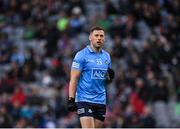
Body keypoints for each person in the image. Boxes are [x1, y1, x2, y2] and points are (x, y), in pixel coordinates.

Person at [68, 26, 114, 128]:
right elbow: (74, 78)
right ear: (90, 37)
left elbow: (105, 80)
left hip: (100, 100)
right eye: (96, 35)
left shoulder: (107, 56)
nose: (99, 38)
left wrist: (110, 78)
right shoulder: (81, 55)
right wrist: (71, 99)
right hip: (84, 99)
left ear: (104, 38)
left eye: (101, 36)